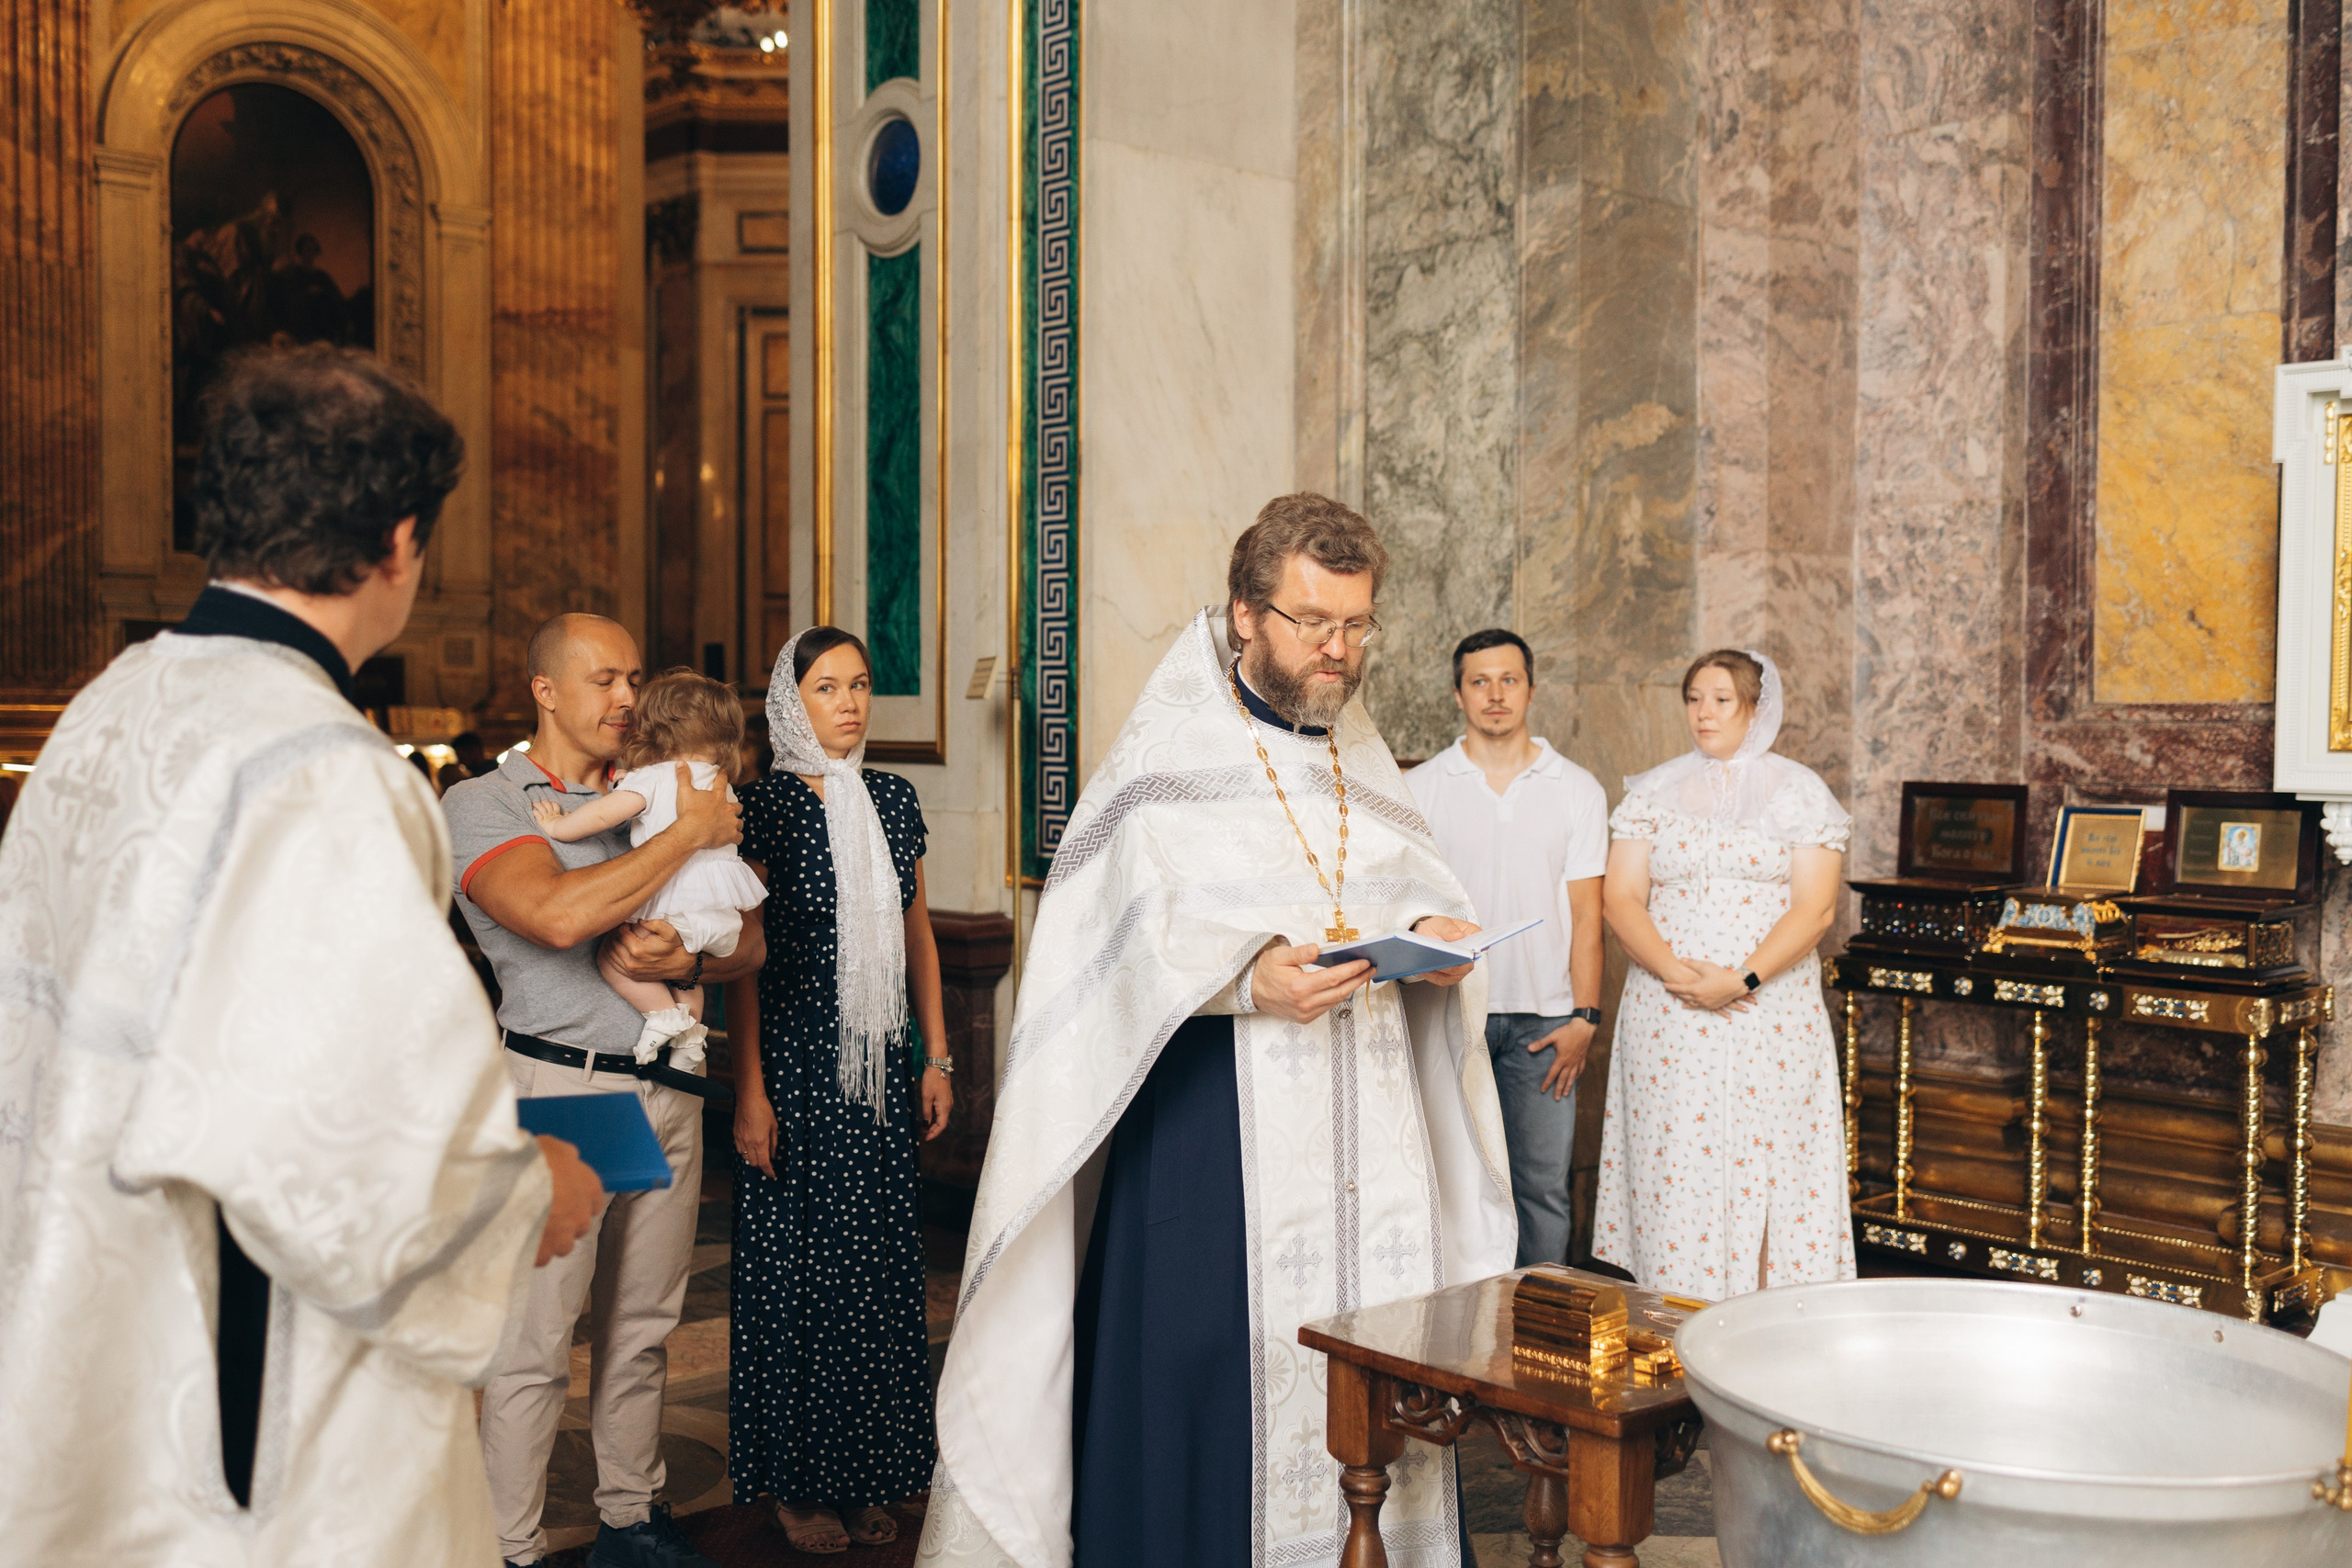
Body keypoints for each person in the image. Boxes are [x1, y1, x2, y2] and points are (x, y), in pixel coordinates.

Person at [0, 344, 602, 1566]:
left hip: (83, 1292)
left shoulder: (109, 701)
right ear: (398, 538)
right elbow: (353, 1146)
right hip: (257, 1372)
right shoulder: (319, 766)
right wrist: (528, 1184)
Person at [918, 494, 1515, 1568]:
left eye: (1357, 627)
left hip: (1373, 1157)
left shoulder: (1364, 767)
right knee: (1204, 1382)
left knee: (1384, 1373)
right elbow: (1099, 951)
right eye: (1312, 624)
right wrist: (1241, 977)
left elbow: (1397, 890)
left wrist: (1427, 934)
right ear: (1244, 614)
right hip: (1212, 1152)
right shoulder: (1160, 770)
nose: (1338, 653)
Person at [447, 613, 765, 1568]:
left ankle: (634, 1519)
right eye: (602, 682)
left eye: (633, 680)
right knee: (538, 1341)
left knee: (645, 1328)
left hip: (667, 1084)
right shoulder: (489, 801)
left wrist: (692, 956)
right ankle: (510, 1543)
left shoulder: (655, 790)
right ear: (545, 689)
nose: (626, 699)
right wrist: (689, 836)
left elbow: (749, 939)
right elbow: (552, 916)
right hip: (565, 1087)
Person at [729, 626, 953, 1552]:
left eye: (860, 685)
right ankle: (798, 1483)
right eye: (828, 688)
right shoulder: (764, 807)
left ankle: (871, 1471)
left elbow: (919, 936)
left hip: (878, 1077)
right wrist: (748, 1090)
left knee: (876, 1272)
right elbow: (741, 958)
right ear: (793, 699)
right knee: (803, 1277)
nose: (850, 703)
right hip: (793, 1067)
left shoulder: (894, 801)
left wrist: (934, 1055)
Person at [1594, 648, 1857, 1300]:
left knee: (1770, 1159)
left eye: (1721, 699)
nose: (1704, 712)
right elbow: (1621, 897)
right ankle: (1674, 1315)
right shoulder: (1651, 791)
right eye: (1693, 698)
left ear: (1756, 707)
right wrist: (1677, 975)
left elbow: (1815, 907)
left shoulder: (1800, 792)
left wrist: (1739, 980)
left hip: (1769, 1010)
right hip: (1668, 1015)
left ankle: (1766, 1321)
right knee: (1675, 1157)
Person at [1406, 628, 1608, 1267]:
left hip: (1548, 1025)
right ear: (1458, 693)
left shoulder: (1577, 788)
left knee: (1542, 1188)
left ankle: (1538, 1336)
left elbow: (1587, 915)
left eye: (1509, 679)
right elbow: (1407, 910)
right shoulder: (1423, 787)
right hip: (1452, 1010)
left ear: (1531, 688)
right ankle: (1458, 1334)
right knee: (1448, 1183)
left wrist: (1586, 1017)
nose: (1496, 694)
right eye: (1479, 681)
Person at [533, 669, 766, 1058]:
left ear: (654, 730)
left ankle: (663, 1018)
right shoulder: (719, 782)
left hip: (669, 909)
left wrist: (559, 824)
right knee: (685, 981)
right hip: (719, 920)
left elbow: (604, 815)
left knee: (612, 961)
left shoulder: (655, 777)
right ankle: (690, 1038)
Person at [442, 728, 493, 792]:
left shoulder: (488, 774)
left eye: (461, 755)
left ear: (475, 750)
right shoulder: (478, 773)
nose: (460, 761)